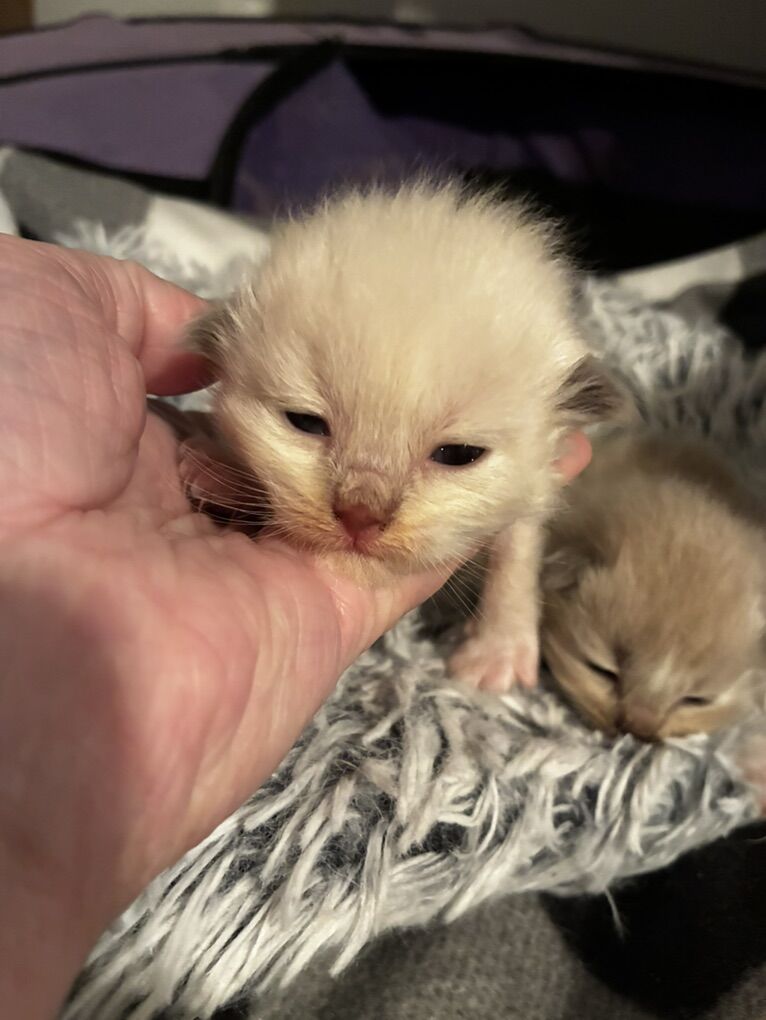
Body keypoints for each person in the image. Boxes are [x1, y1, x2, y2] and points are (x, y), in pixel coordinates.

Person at [0, 235, 588, 1018]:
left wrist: (509, 618)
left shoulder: (528, 346)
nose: (364, 510)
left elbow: (530, 500)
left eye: (455, 453)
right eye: (307, 423)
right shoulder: (271, 327)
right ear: (219, 360)